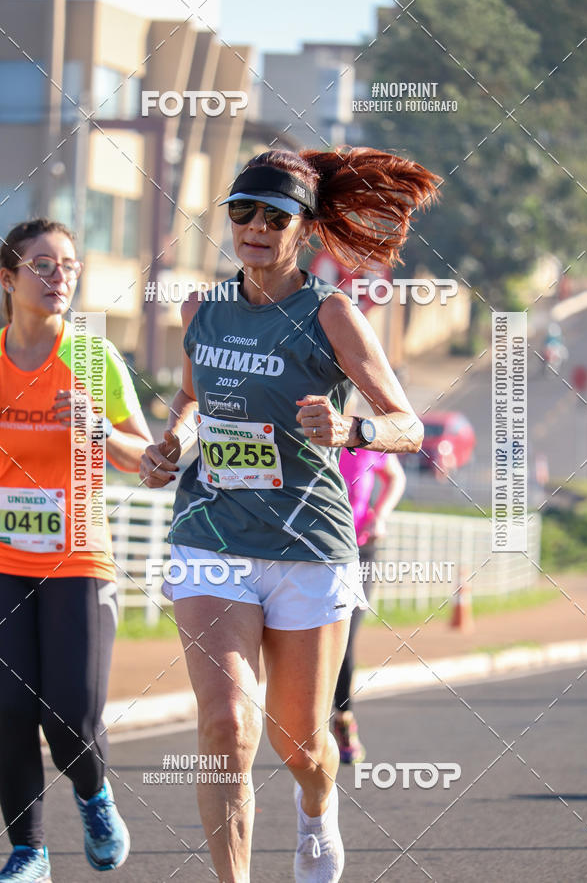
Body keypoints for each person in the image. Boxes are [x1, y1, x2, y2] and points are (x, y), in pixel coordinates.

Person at [140, 146, 439, 883]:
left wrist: (351, 429)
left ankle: (316, 809)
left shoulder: (329, 313)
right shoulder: (201, 309)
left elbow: (408, 425)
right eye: (243, 212)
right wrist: (170, 440)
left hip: (307, 543)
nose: (256, 227)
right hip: (212, 534)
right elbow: (191, 394)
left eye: (275, 217)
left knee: (299, 743)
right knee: (225, 726)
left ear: (303, 229)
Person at [0, 219, 152, 882]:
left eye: (68, 264)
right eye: (42, 264)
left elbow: (149, 459)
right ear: (7, 279)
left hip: (79, 558)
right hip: (3, 561)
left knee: (69, 716)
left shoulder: (92, 358)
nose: (58, 276)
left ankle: (93, 796)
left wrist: (96, 430)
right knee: (7, 709)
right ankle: (29, 850)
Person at [333, 444, 406, 763]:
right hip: (311, 550)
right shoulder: (309, 432)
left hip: (359, 550)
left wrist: (380, 515)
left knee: (345, 638)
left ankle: (343, 718)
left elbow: (396, 477)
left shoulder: (365, 436)